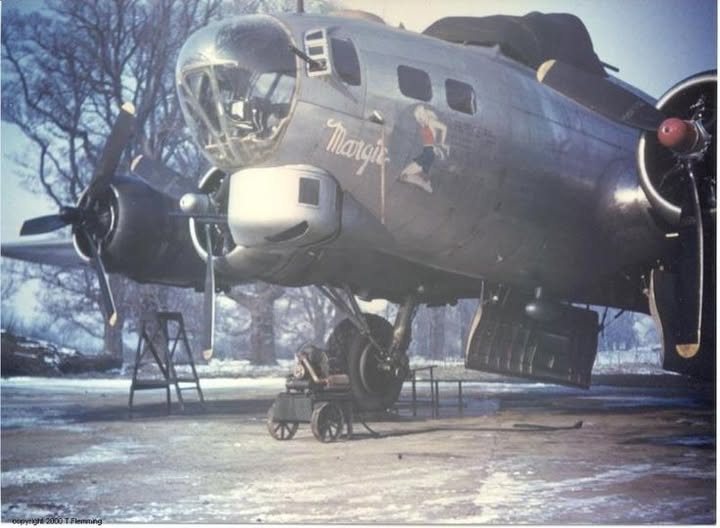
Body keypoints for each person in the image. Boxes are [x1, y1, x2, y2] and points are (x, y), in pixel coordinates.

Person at [400, 106, 449, 193]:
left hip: (429, 153)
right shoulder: (425, 124)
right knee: (404, 175)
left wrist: (441, 143)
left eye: (421, 115)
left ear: (425, 113)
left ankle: (425, 184)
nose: (420, 118)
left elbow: (444, 128)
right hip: (427, 152)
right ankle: (425, 184)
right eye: (418, 117)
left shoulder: (431, 121)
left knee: (404, 175)